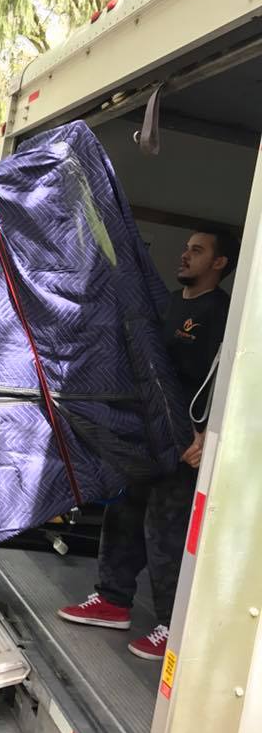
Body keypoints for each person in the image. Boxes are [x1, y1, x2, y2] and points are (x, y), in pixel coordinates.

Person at [58, 228, 240, 660]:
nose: (185, 256)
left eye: (197, 251)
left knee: (166, 531)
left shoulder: (222, 316)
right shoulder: (171, 305)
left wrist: (207, 434)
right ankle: (113, 600)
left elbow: (229, 379)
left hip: (185, 444)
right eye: (186, 249)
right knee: (124, 513)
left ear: (219, 264)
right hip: (149, 435)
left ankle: (171, 627)